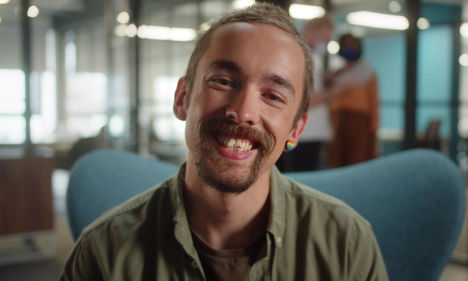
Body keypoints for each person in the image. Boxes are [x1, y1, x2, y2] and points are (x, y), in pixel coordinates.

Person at [59, 4, 388, 281]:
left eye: (273, 96)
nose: (244, 112)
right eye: (224, 81)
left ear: (295, 131)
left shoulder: (347, 245)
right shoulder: (103, 252)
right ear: (182, 98)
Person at [277, 16, 333, 172]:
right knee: (302, 175)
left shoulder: (311, 58)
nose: (327, 41)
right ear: (312, 32)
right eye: (325, 37)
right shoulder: (304, 58)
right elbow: (305, 100)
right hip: (306, 133)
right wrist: (339, 89)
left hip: (308, 131)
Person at [320, 33, 379, 168]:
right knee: (336, 158)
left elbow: (373, 101)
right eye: (346, 45)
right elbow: (325, 91)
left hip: (358, 121)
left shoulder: (367, 73)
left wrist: (373, 128)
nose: (349, 49)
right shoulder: (337, 73)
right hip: (337, 120)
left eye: (352, 46)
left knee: (356, 159)